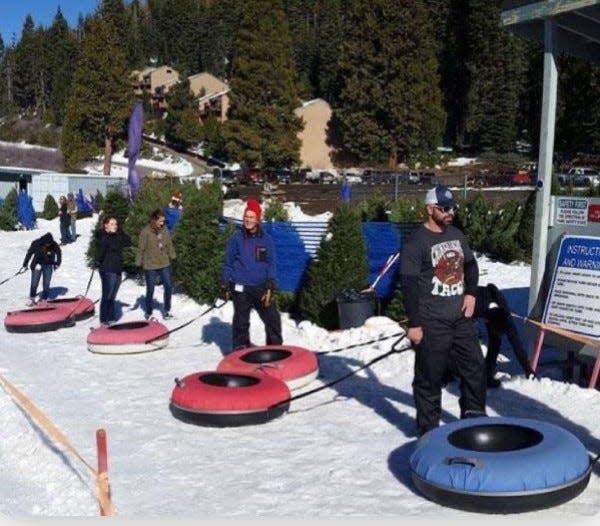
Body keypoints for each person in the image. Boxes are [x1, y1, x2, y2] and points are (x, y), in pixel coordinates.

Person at [399, 185, 487, 437]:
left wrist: (470, 293)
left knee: (475, 367)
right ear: (430, 209)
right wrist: (414, 324)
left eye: (453, 208)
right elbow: (409, 286)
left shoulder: (457, 236)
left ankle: (473, 416)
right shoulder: (416, 243)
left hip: (460, 320)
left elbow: (470, 266)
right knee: (430, 376)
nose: (451, 212)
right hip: (431, 322)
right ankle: (428, 431)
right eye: (445, 208)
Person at [220, 199, 282, 350]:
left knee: (272, 318)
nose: (248, 220)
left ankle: (275, 349)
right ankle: (240, 349)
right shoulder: (236, 238)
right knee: (241, 321)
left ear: (258, 219)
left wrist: (271, 280)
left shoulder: (266, 239)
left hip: (261, 287)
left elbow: (271, 262)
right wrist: (224, 281)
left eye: (252, 217)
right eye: (246, 216)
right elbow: (228, 261)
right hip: (241, 287)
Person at [475, 283, 536, 387]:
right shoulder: (477, 305)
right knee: (492, 344)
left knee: (498, 343)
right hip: (468, 302)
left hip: (495, 313)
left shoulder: (506, 316)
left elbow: (517, 345)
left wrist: (528, 369)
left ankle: (487, 376)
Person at [136, 209, 176, 320]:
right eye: (160, 221)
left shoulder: (165, 230)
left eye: (163, 221)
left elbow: (169, 244)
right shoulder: (145, 232)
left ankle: (167, 310)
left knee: (168, 286)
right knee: (150, 289)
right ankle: (148, 312)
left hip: (164, 263)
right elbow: (141, 248)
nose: (162, 223)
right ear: (154, 220)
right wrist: (138, 262)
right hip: (150, 265)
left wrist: (173, 256)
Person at [95, 215, 132, 326]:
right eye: (112, 224)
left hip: (117, 268)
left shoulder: (117, 236)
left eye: (115, 224)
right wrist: (97, 261)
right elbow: (100, 251)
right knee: (107, 294)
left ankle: (111, 317)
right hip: (107, 269)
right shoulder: (103, 236)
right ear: (106, 225)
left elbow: (128, 242)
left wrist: (120, 230)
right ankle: (103, 319)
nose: (114, 226)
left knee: (113, 295)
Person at [21, 232, 61, 306]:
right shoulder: (36, 243)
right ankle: (32, 298)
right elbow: (29, 253)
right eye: (47, 243)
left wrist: (58, 263)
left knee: (46, 283)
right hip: (37, 265)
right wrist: (24, 264)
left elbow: (59, 252)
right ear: (44, 241)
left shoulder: (53, 244)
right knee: (34, 283)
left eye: (50, 243)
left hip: (48, 265)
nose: (49, 245)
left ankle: (44, 299)